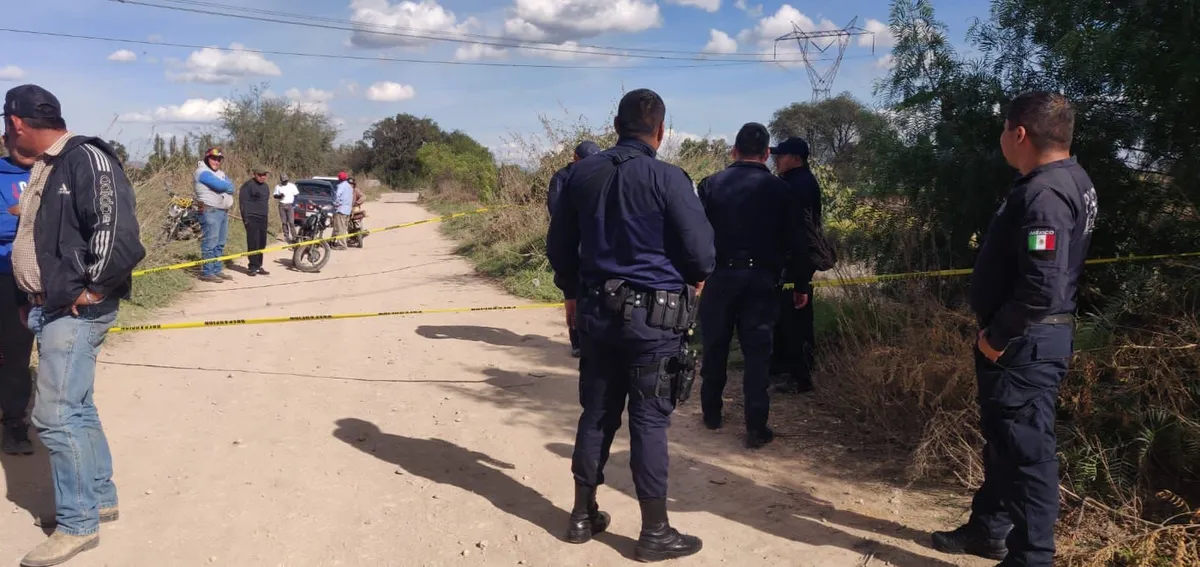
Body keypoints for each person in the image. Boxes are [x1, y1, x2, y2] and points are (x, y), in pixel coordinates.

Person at [547, 88, 714, 563]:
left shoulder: (580, 175)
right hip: (654, 323)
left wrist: (571, 292)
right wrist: (692, 277)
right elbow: (702, 256)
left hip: (596, 315)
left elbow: (560, 247)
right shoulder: (669, 178)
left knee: (597, 412)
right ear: (661, 131)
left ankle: (582, 516)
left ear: (616, 126)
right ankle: (655, 532)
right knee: (649, 421)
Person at [931, 91, 1096, 567]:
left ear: (1019, 133)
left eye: (1003, 129)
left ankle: (1031, 558)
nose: (1001, 138)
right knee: (1006, 441)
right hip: (1030, 338)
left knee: (1027, 453)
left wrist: (997, 337)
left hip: (1024, 341)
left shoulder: (1045, 194)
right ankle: (988, 530)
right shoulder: (1069, 179)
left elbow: (1042, 284)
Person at [5, 83, 146, 567]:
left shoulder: (86, 159)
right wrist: (30, 296)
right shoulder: (48, 165)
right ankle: (99, 498)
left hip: (76, 309)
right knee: (78, 408)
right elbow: (46, 237)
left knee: (55, 415)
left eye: (6, 126)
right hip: (52, 306)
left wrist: (93, 290)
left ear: (16, 123)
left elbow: (118, 234)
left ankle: (77, 524)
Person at [695, 123, 803, 449]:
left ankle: (711, 413)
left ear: (734, 151)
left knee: (715, 346)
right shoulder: (782, 190)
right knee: (758, 355)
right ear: (767, 154)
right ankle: (756, 427)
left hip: (719, 278)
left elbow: (697, 235)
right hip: (762, 282)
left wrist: (696, 274)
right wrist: (800, 283)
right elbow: (795, 241)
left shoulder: (710, 185)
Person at [769, 137, 821, 394]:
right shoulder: (794, 182)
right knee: (785, 320)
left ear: (796, 158)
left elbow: (798, 234)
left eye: (782, 155)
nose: (777, 159)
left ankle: (799, 376)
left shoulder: (798, 185)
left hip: (794, 263)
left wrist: (799, 278)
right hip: (793, 263)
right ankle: (787, 372)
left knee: (795, 321)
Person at [548, 140, 601, 358]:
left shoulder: (599, 175)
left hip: (594, 244)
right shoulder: (561, 178)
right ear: (575, 158)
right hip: (571, 243)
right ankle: (576, 341)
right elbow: (557, 212)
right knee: (573, 292)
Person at [1, 130, 34, 456]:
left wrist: (19, 212)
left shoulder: (51, 172)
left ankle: (18, 421)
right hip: (5, 274)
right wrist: (39, 216)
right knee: (10, 351)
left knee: (23, 353)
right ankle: (12, 421)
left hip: (44, 278)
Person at [194, 146, 235, 283]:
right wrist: (225, 185)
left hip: (222, 211)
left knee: (220, 243)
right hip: (210, 210)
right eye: (213, 158)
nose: (216, 161)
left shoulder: (220, 173)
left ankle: (217, 270)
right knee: (210, 242)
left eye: (219, 159)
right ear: (207, 158)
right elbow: (222, 186)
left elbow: (232, 188)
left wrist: (225, 185)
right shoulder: (202, 172)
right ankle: (207, 272)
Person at [238, 165, 272, 276]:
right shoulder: (248, 186)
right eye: (260, 175)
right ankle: (252, 267)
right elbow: (243, 204)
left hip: (263, 218)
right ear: (254, 174)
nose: (263, 177)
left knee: (262, 243)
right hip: (251, 218)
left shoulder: (266, 187)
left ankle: (259, 265)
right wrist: (246, 219)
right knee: (253, 242)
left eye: (264, 175)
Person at [273, 173, 299, 243]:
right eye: (283, 181)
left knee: (291, 222)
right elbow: (275, 195)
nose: (285, 182)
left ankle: (294, 237)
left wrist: (294, 204)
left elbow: (296, 195)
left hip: (290, 205)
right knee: (284, 222)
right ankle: (286, 236)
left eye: (286, 180)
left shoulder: (292, 186)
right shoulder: (278, 186)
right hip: (282, 205)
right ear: (281, 180)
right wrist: (279, 196)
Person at [331, 171, 352, 250]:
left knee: (340, 228)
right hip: (347, 210)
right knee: (343, 228)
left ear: (339, 179)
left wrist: (335, 204)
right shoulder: (349, 186)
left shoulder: (340, 186)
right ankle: (334, 241)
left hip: (341, 210)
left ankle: (342, 245)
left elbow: (337, 196)